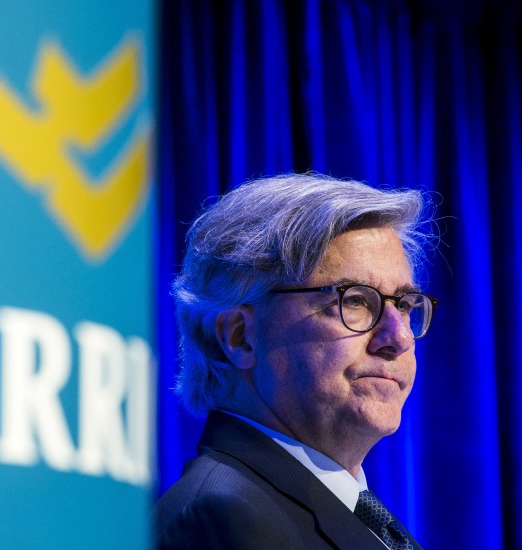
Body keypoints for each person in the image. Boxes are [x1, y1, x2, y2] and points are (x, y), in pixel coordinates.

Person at [154, 174, 436, 549]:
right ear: (239, 336)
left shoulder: (354, 514)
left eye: (402, 305)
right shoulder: (225, 517)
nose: (398, 338)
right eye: (354, 300)